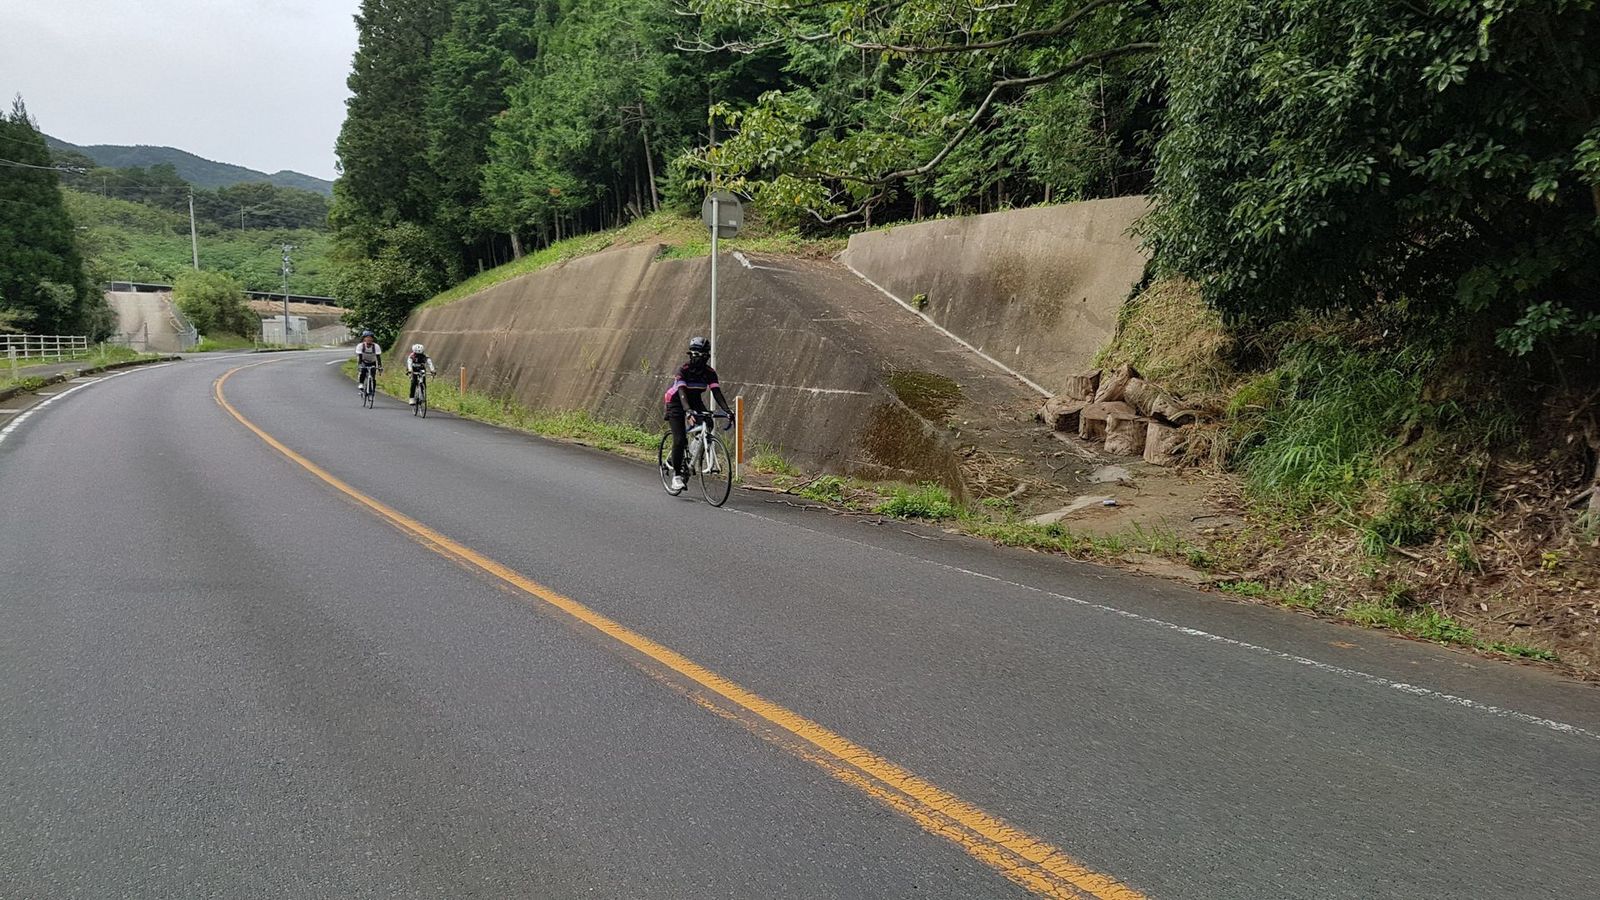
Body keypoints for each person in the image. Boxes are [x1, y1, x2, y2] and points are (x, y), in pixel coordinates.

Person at [664, 336, 732, 492]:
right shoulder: (684, 370)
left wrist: (727, 410)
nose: (700, 358)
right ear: (691, 354)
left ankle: (690, 457)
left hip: (694, 400)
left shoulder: (709, 372)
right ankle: (676, 476)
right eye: (696, 354)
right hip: (676, 401)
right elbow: (681, 392)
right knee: (679, 439)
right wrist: (688, 411)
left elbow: (716, 392)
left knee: (708, 423)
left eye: (703, 355)